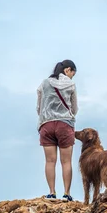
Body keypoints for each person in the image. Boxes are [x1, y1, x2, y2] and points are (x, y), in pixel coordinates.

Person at [36, 60, 78, 201]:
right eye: (73, 73)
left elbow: (39, 106)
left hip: (46, 125)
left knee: (50, 161)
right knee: (66, 162)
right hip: (64, 125)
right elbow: (75, 108)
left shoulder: (44, 83)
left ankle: (52, 193)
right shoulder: (70, 84)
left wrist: (47, 115)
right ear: (67, 70)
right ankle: (66, 194)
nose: (72, 77)